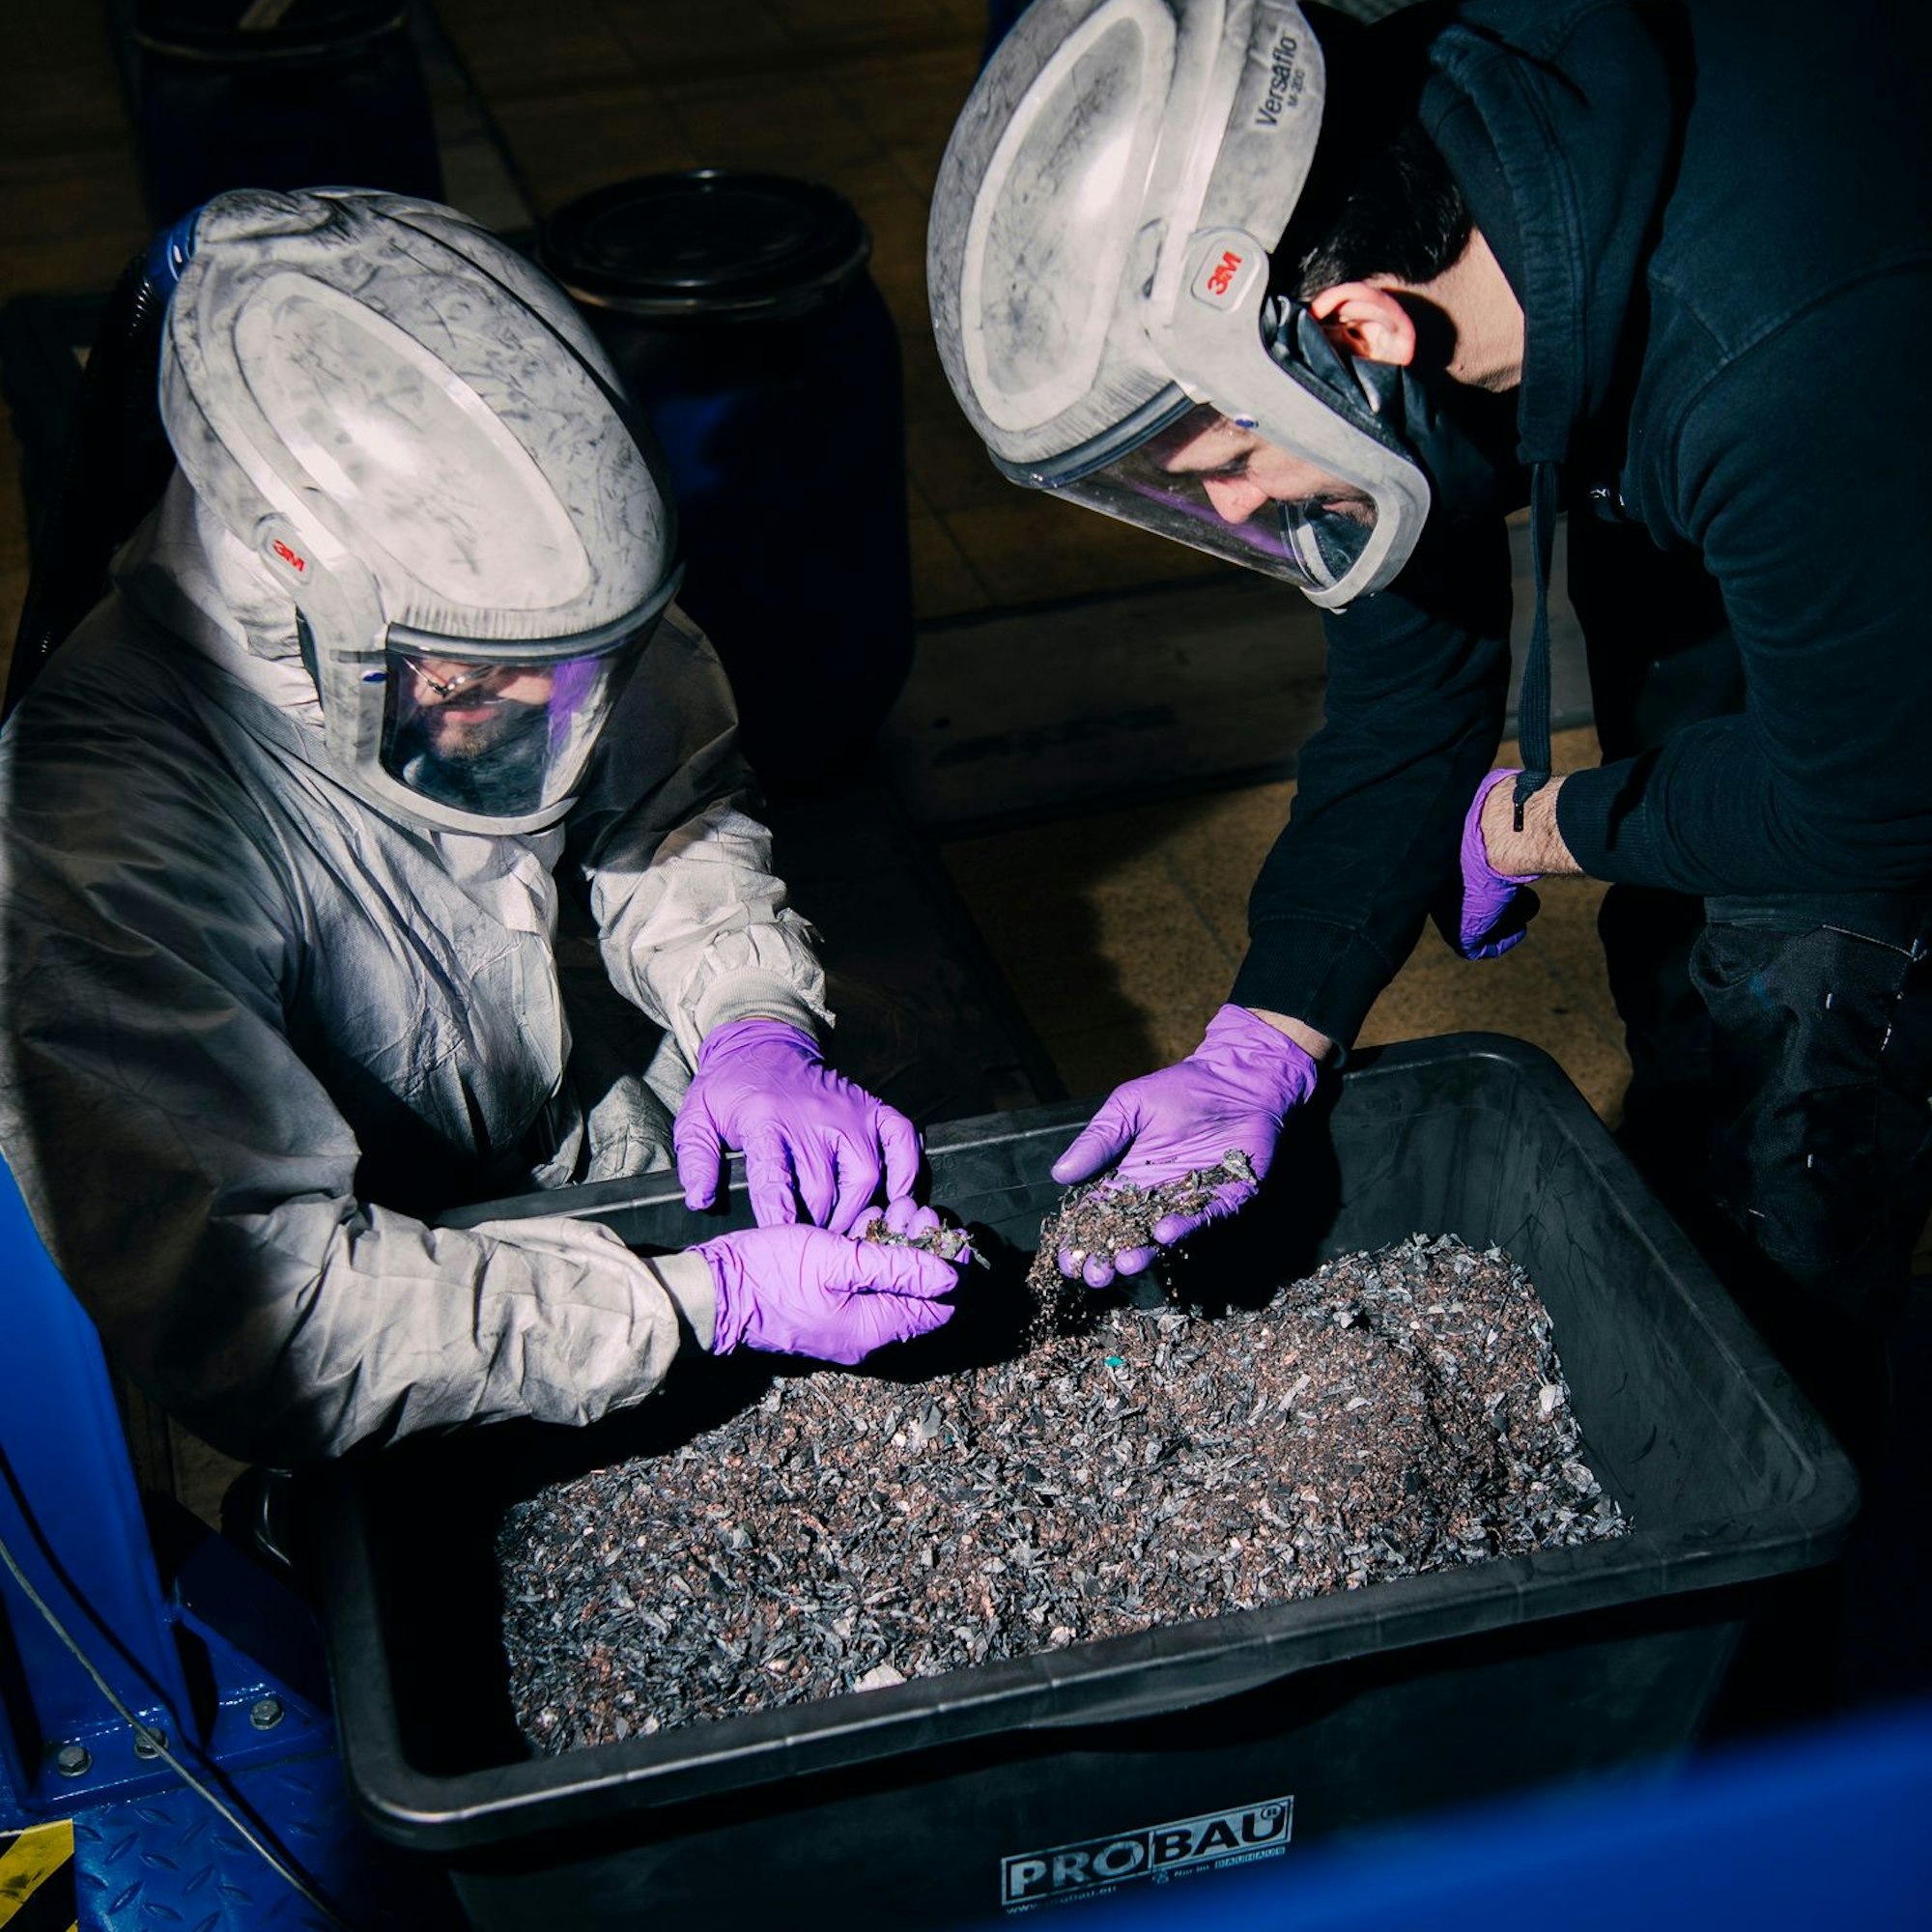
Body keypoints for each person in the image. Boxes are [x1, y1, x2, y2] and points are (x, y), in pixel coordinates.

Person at [929, 0, 1931, 1697]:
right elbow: (1418, 656)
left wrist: (1555, 823)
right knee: (1697, 918)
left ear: (1362, 326)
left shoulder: (1782, 352)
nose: (1238, 515)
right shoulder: (1432, 198)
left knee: (1819, 1004)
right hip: (1771, 474)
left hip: (1863, 451)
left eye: (1220, 466)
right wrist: (1273, 1026)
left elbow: (1874, 803)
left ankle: (1790, 1622)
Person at [0, 187, 966, 1468]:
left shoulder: (517, 591)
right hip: (395, 1279)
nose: (533, 721)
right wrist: (695, 1302)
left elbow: (669, 794)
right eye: (466, 691)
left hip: (548, 1106)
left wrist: (750, 1024)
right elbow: (273, 1317)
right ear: (308, 604)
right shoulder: (95, 844)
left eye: (569, 679)